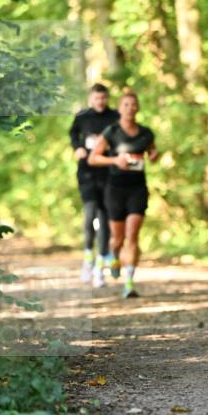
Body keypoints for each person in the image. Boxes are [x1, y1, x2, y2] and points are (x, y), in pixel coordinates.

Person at [88, 91, 158, 299]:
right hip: (115, 188)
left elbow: (152, 151)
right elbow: (93, 158)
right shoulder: (112, 132)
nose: (130, 108)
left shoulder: (146, 133)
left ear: (138, 108)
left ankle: (129, 283)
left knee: (132, 235)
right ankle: (113, 256)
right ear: (120, 108)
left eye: (133, 105)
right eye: (126, 105)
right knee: (117, 238)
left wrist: (154, 155)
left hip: (137, 188)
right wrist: (114, 161)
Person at [69, 83, 119, 287]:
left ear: (107, 98)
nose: (101, 102)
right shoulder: (82, 117)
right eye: (97, 98)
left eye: (104, 98)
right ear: (91, 99)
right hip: (87, 174)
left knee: (105, 218)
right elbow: (73, 135)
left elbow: (121, 138)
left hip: (108, 174)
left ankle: (100, 268)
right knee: (90, 214)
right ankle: (88, 257)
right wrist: (78, 147)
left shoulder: (115, 117)